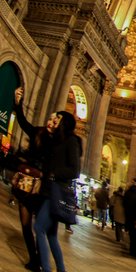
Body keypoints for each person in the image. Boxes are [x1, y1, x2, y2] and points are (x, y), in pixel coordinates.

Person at [34, 107, 82, 272]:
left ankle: (46, 269)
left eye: (58, 118)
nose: (55, 119)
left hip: (56, 191)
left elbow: (74, 170)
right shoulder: (56, 139)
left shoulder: (72, 141)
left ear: (65, 122)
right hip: (49, 189)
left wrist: (54, 174)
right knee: (51, 234)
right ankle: (61, 269)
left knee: (39, 228)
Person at [11, 86, 46, 271]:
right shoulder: (37, 132)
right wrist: (18, 103)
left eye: (55, 120)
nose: (51, 121)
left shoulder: (55, 141)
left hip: (40, 189)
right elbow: (23, 121)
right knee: (25, 225)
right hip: (27, 185)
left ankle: (40, 258)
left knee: (39, 228)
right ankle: (34, 259)